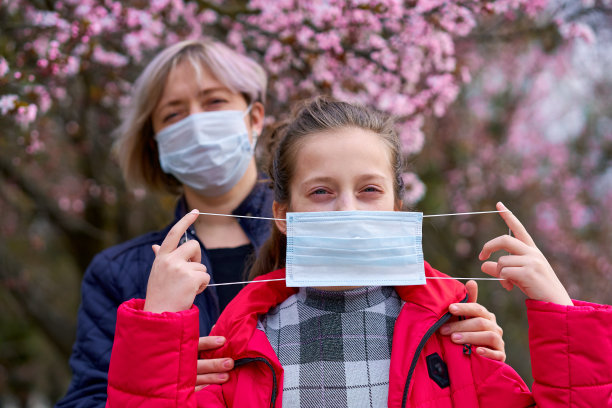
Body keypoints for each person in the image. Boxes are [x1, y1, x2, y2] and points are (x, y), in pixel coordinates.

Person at [57, 41, 506, 407]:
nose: (196, 123)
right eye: (173, 115)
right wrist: (165, 378)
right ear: (156, 140)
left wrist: (463, 351)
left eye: (213, 102)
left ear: (253, 118)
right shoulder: (121, 272)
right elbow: (90, 398)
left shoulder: (348, 234)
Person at [106, 97, 612, 407]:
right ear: (283, 214)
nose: (346, 209)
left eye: (369, 190)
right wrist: (158, 322)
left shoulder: (456, 339)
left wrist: (559, 312)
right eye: (322, 192)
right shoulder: (238, 346)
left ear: (396, 204)